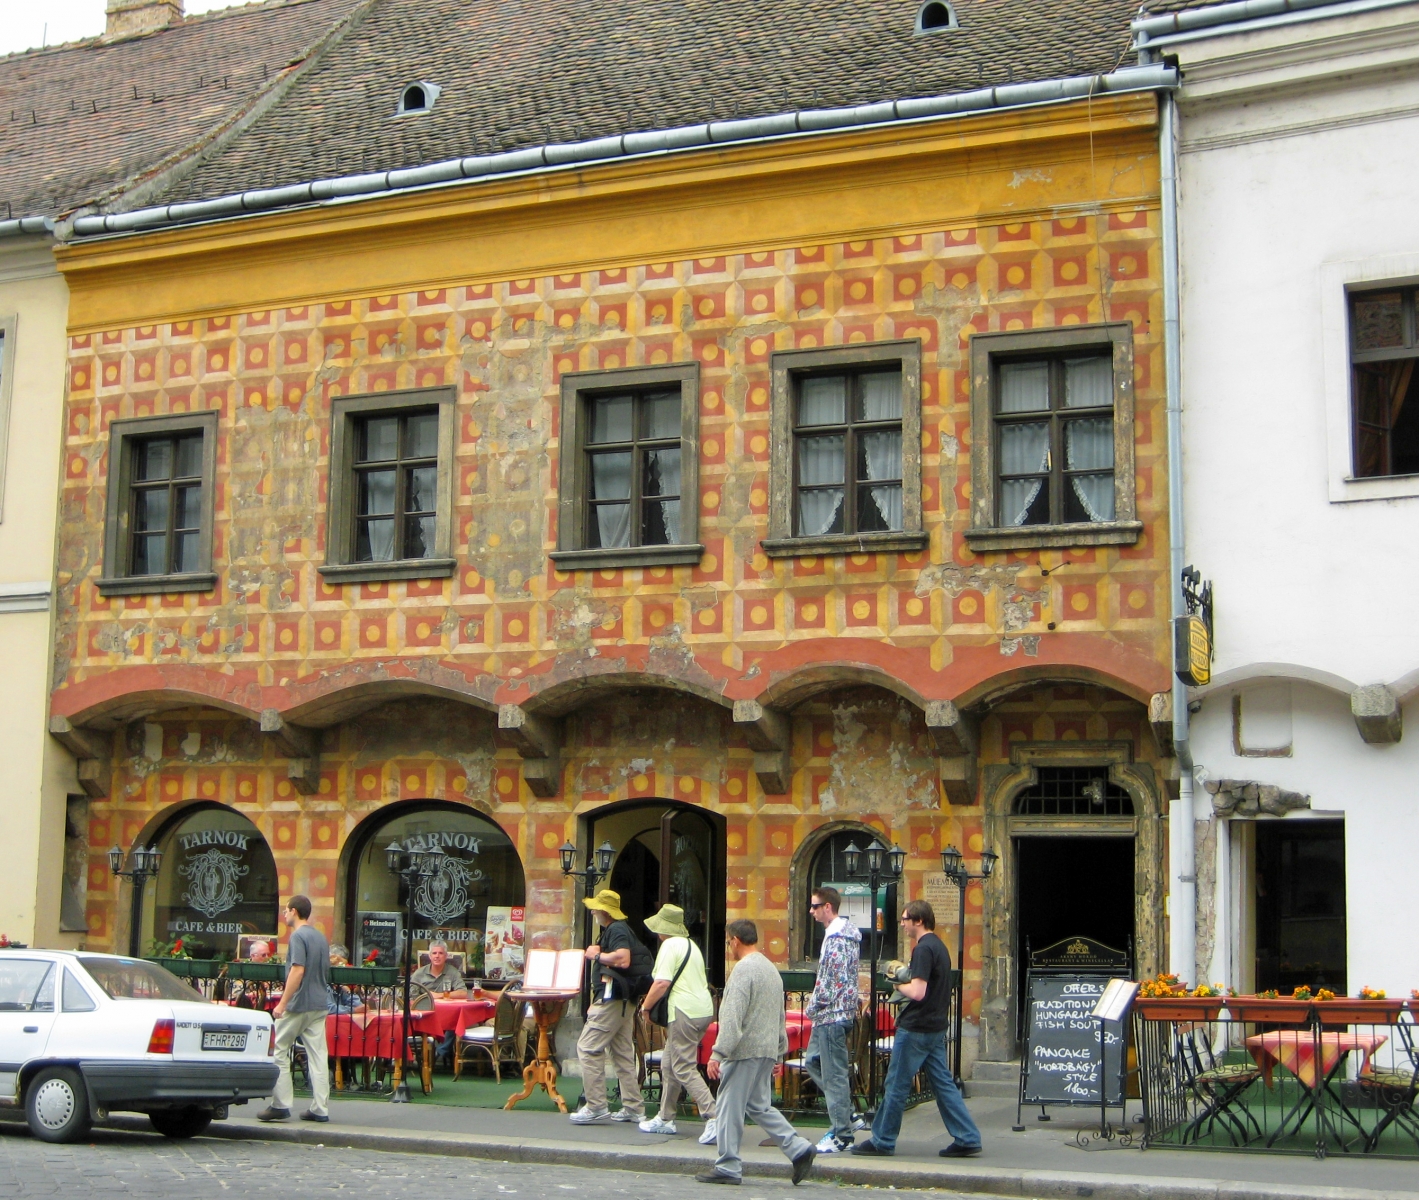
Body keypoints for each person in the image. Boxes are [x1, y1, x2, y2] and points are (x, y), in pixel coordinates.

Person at [851, 899, 982, 1158]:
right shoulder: (940, 947)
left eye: (904, 919)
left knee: (896, 1084)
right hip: (935, 1026)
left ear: (918, 920)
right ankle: (967, 1137)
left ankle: (882, 1140)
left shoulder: (923, 949)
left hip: (916, 1027)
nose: (902, 924)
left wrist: (897, 986)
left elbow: (918, 992)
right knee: (943, 1084)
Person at [696, 919, 816, 1187]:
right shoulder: (771, 970)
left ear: (735, 940)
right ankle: (797, 1147)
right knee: (759, 1106)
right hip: (765, 1050)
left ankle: (728, 1165)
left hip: (744, 1050)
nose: (729, 947)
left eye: (729, 942)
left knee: (728, 1105)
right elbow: (779, 1015)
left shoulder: (742, 971)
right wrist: (778, 1052)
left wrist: (717, 1053)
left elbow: (732, 1016)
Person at [635, 904, 717, 1144]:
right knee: (670, 1063)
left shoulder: (670, 946)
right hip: (702, 1010)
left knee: (682, 1067)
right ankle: (665, 1117)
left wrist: (646, 1007)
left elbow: (661, 983)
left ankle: (714, 1116)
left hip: (683, 1012)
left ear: (663, 929)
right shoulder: (691, 945)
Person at [569, 888, 652, 1125]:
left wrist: (596, 956)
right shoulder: (621, 929)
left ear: (604, 911)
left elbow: (623, 959)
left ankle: (596, 1105)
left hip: (613, 999)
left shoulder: (615, 930)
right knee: (622, 1053)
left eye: (596, 907)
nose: (593, 910)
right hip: (623, 1000)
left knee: (588, 1047)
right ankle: (633, 1108)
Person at [258, 895, 331, 1124]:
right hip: (319, 1002)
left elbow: (297, 970)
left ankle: (281, 1104)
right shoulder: (319, 936)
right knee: (318, 1056)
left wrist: (282, 1003)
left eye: (286, 910)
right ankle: (320, 1108)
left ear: (294, 912)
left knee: (278, 1049)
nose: (284, 914)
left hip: (299, 1003)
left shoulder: (298, 936)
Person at [803, 886, 862, 1153]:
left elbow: (830, 982)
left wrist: (811, 1007)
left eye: (815, 906)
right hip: (833, 1014)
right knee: (813, 1061)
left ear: (828, 907)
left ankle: (842, 1135)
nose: (811, 911)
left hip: (832, 1015)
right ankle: (847, 1114)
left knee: (834, 1074)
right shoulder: (841, 935)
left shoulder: (838, 938)